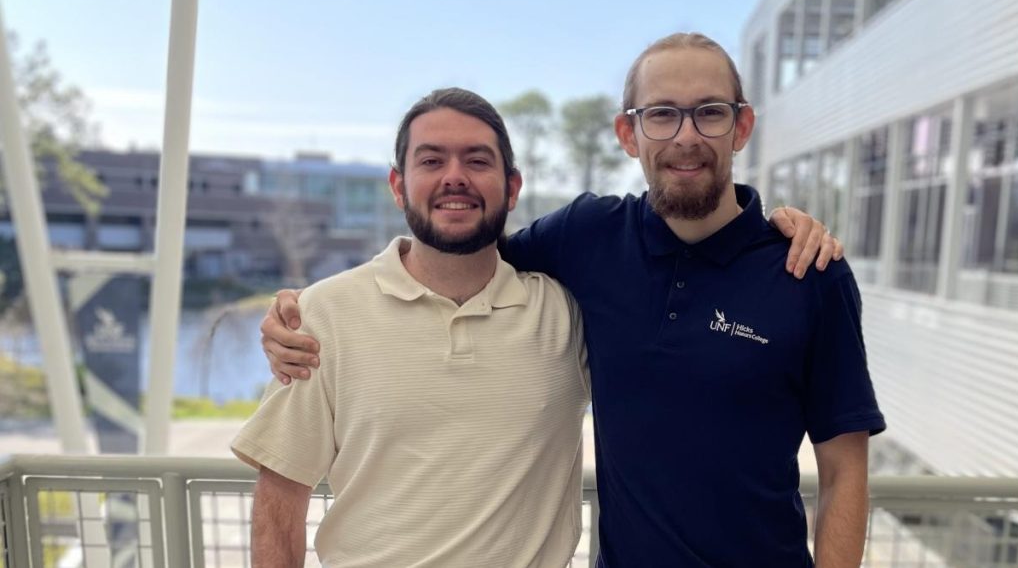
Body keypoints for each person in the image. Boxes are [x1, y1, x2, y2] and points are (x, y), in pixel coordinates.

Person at [263, 33, 882, 567]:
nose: (686, 136)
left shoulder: (811, 272)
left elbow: (845, 471)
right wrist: (306, 306)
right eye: (661, 114)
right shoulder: (587, 237)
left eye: (710, 112)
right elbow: (463, 243)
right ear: (628, 132)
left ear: (741, 126)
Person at [232, 88, 591, 567]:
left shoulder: (564, 314)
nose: (455, 177)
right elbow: (280, 497)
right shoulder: (324, 315)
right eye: (431, 161)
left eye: (478, 161)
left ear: (512, 187)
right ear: (399, 186)